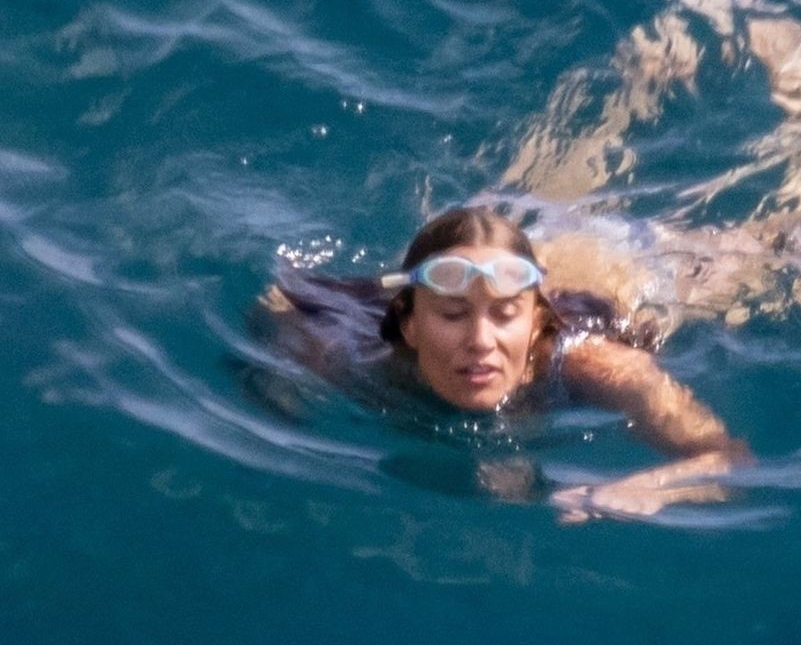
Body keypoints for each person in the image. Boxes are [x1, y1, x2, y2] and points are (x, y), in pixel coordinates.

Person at [259, 206, 748, 517]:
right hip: (513, 255)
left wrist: (652, 489)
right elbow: (282, 303)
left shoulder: (595, 362)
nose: (481, 340)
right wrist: (279, 392)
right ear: (409, 326)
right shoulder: (353, 357)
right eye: (453, 315)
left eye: (505, 315)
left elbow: (728, 459)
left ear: (534, 324)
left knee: (772, 242)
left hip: (631, 264)